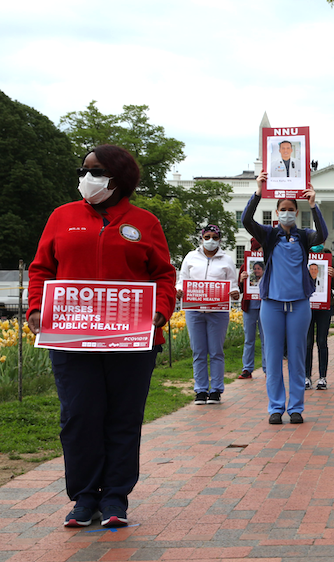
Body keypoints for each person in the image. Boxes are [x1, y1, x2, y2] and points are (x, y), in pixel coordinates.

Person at [27, 144, 176, 528]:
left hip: (131, 340)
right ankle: (83, 498)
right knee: (79, 416)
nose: (84, 177)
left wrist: (160, 311)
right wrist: (34, 309)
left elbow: (163, 274)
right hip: (71, 338)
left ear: (117, 177)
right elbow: (41, 269)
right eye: (83, 170)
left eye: (93, 170)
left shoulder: (144, 222)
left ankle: (114, 497)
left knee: (123, 418)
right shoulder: (62, 217)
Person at [242, 170, 327, 425]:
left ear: (296, 212)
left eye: (292, 208)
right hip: (272, 304)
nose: (288, 212)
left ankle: (296, 407)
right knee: (273, 354)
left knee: (298, 355)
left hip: (299, 303)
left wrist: (313, 205)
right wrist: (258, 192)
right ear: (277, 212)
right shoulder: (269, 235)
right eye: (284, 209)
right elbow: (247, 220)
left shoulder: (304, 236)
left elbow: (322, 235)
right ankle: (276, 407)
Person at [177, 225, 240, 405]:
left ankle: (216, 390)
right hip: (194, 310)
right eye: (207, 236)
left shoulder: (226, 260)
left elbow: (233, 284)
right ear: (201, 238)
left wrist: (235, 292)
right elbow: (182, 280)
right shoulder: (190, 257)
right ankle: (201, 390)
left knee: (216, 351)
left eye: (214, 237)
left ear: (219, 239)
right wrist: (179, 290)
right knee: (198, 351)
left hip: (218, 312)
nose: (210, 240)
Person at [305, 247, 334, 390]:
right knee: (307, 342)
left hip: (324, 307)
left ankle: (322, 377)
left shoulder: (330, 259)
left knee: (322, 341)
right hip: (307, 306)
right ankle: (306, 376)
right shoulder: (304, 256)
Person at [238, 240, 265, 379]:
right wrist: (242, 279)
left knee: (266, 338)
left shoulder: (270, 265)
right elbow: (240, 289)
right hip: (250, 306)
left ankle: (267, 369)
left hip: (265, 306)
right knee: (249, 338)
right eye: (259, 249)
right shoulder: (245, 266)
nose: (261, 252)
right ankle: (247, 368)